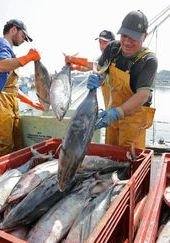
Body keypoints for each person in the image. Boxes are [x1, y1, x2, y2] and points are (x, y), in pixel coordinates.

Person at [67, 10, 158, 148]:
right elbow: (100, 67)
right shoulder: (113, 48)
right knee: (110, 154)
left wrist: (118, 113)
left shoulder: (148, 60)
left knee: (129, 160)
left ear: (144, 36)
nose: (127, 42)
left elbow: (143, 95)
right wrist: (96, 75)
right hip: (111, 116)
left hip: (133, 120)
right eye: (124, 35)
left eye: (133, 37)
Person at [0, 19, 43, 160]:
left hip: (9, 101)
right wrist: (28, 58)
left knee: (16, 143)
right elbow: (2, 65)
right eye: (23, 36)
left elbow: (11, 87)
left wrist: (31, 102)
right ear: (14, 30)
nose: (24, 40)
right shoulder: (0, 43)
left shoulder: (11, 54)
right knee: (2, 144)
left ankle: (10, 176)